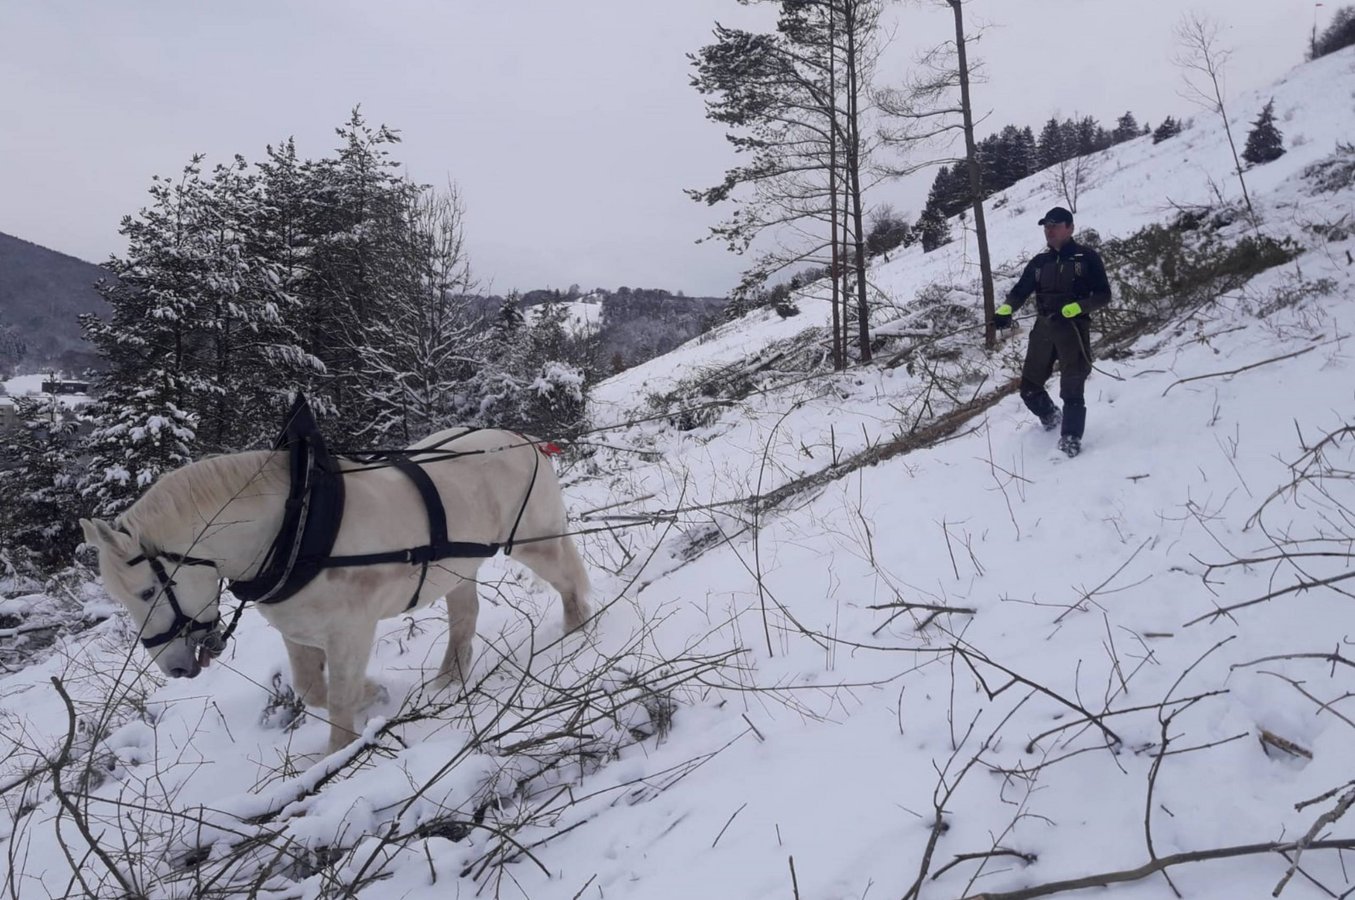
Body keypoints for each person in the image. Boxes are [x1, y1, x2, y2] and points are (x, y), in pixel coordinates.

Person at [992, 206, 1112, 458]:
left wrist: (1078, 307)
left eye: (1055, 225)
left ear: (1070, 228)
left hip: (1073, 329)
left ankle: (1070, 437)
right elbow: (1020, 290)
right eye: (1046, 226)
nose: (1049, 231)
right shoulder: (1039, 262)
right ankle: (1052, 420)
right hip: (1043, 329)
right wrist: (1005, 310)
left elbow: (1103, 295)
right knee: (1029, 387)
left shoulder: (1086, 257)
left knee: (1072, 388)